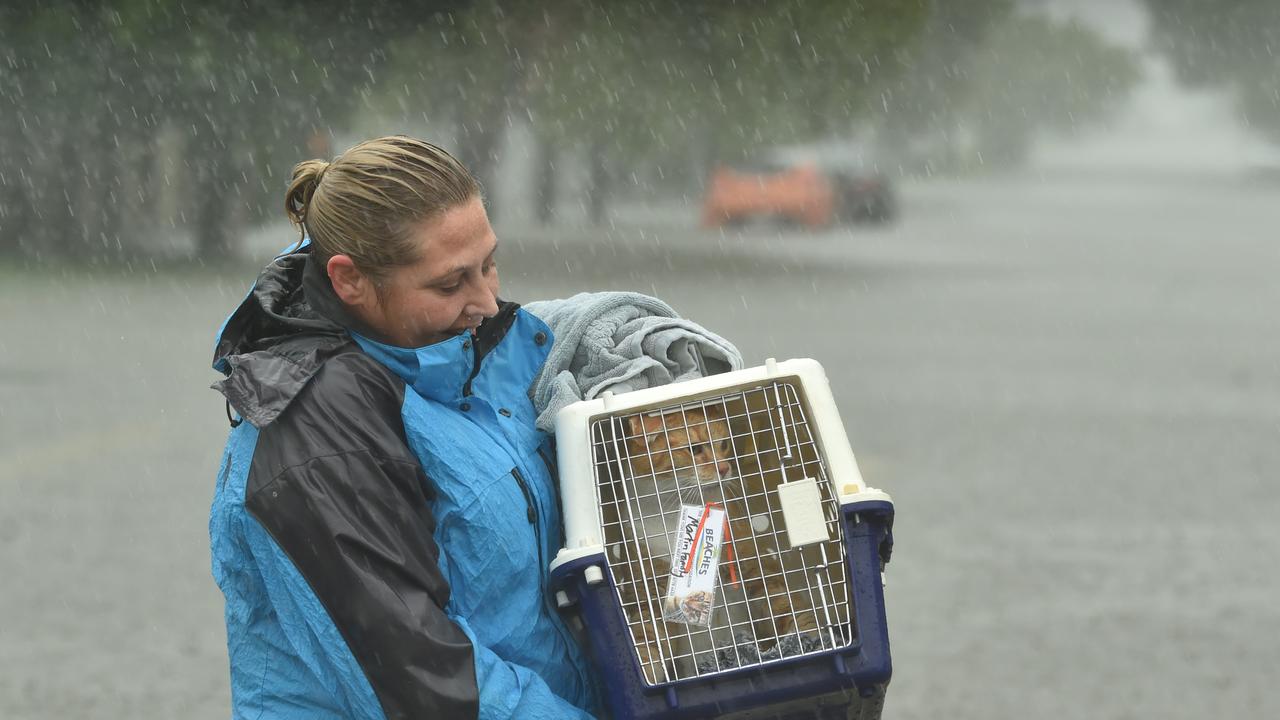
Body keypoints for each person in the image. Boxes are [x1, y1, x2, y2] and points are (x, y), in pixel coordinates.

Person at [209, 136, 599, 719]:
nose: (488, 302)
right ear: (349, 281)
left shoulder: (467, 364)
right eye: (450, 283)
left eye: (488, 263)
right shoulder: (315, 440)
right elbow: (425, 684)